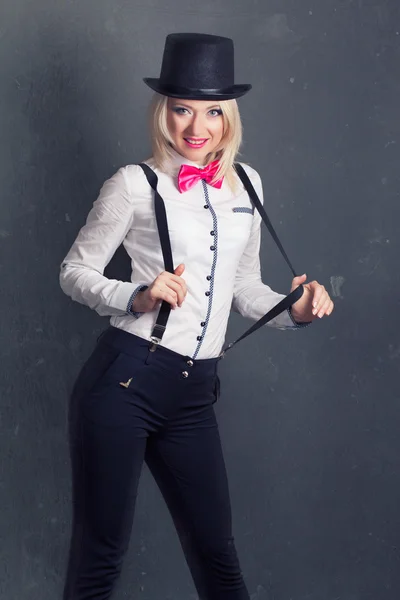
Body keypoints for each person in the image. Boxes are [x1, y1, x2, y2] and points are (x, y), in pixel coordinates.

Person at [59, 33, 334, 600]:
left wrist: (297, 310)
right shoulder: (132, 184)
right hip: (126, 381)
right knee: (100, 558)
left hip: (193, 393)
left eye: (212, 110)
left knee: (216, 555)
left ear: (228, 115)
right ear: (165, 111)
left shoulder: (248, 186)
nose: (196, 126)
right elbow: (73, 272)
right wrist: (137, 294)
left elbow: (245, 288)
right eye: (183, 108)